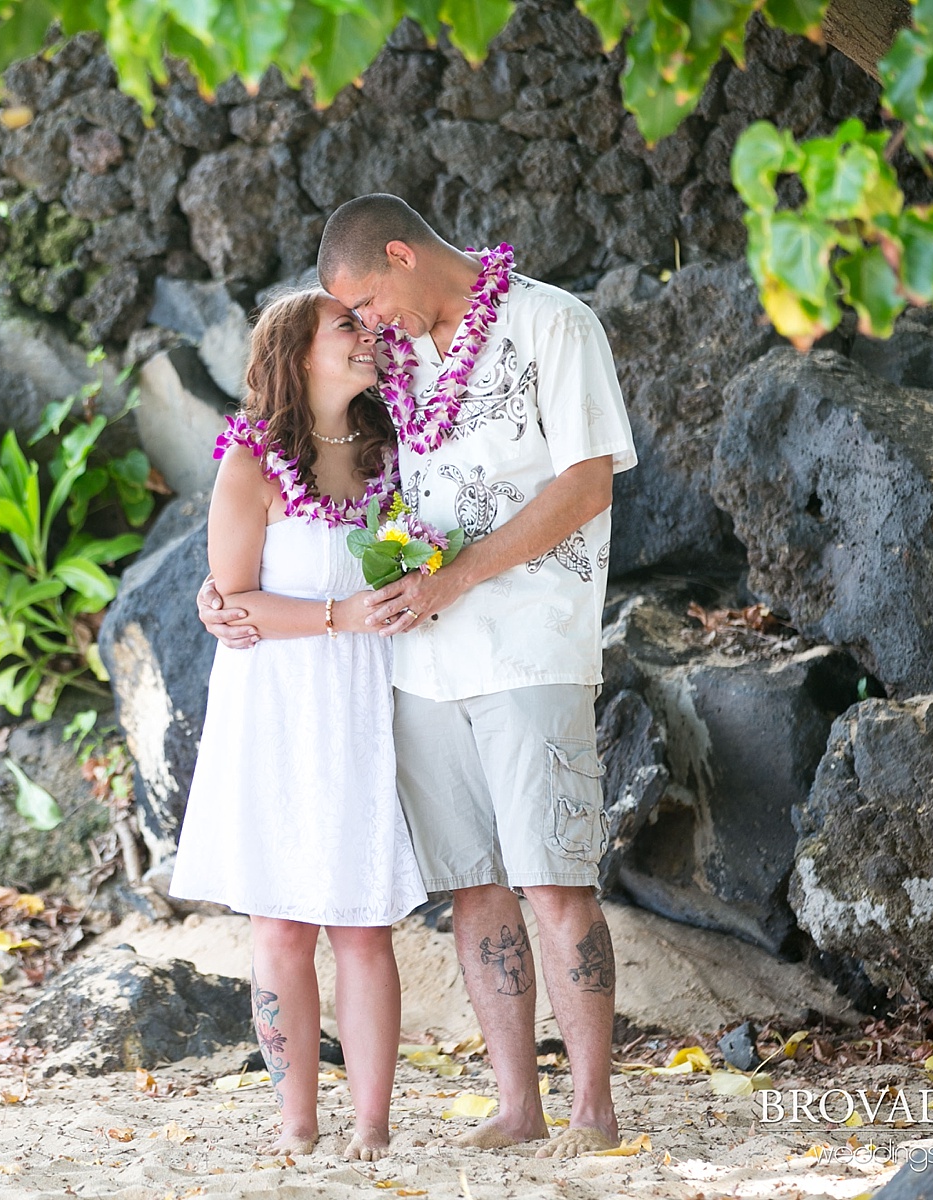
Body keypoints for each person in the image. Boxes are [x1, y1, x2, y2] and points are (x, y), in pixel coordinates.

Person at [197, 194, 637, 1159]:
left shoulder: (553, 325)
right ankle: (518, 1107)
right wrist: (219, 594)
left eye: (365, 304)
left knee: (553, 880)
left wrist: (454, 578)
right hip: (414, 667)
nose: (369, 330)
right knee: (474, 888)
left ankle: (593, 1110)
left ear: (401, 254)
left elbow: (588, 481)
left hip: (528, 645)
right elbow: (284, 487)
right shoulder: (397, 367)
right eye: (348, 321)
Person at [168, 288, 426, 1162]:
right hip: (278, 705)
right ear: (299, 352)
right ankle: (296, 1122)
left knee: (363, 920)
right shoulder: (250, 460)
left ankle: (372, 1123)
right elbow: (231, 597)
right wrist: (335, 618)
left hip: (365, 703)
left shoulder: (395, 447)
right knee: (281, 922)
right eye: (347, 327)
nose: (368, 337)